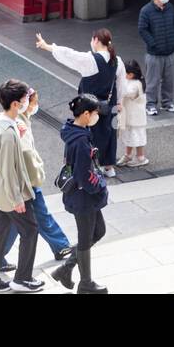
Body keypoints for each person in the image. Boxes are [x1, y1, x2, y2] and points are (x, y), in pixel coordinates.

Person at [0, 80, 45, 293]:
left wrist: (20, 135)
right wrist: (17, 199)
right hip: (11, 194)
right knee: (30, 230)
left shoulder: (3, 124)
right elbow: (9, 169)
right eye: (25, 99)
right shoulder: (8, 132)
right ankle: (22, 278)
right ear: (16, 104)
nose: (28, 102)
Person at [0, 89, 72, 274]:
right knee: (39, 216)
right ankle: (61, 245)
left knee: (15, 222)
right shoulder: (18, 125)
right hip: (26, 183)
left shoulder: (19, 120)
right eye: (32, 102)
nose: (34, 106)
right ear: (20, 103)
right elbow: (25, 156)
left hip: (23, 184)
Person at [36, 29, 126, 177]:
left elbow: (69, 55)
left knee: (89, 134)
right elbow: (121, 83)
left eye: (92, 39)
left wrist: (48, 47)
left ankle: (91, 166)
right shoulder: (118, 60)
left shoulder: (90, 60)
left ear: (96, 40)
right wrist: (119, 102)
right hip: (109, 105)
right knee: (108, 132)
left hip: (89, 107)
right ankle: (109, 167)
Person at [53, 93, 110, 293]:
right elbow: (84, 176)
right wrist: (101, 185)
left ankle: (65, 269)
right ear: (86, 114)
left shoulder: (76, 132)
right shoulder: (80, 141)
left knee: (98, 231)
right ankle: (85, 284)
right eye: (95, 113)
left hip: (84, 197)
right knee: (86, 237)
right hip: (83, 197)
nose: (97, 116)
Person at [137, 0, 174, 116]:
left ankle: (167, 103)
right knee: (152, 81)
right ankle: (150, 104)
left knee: (169, 80)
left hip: (169, 52)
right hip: (154, 54)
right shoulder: (146, 10)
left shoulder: (170, 8)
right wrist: (153, 43)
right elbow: (142, 30)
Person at [116, 60, 149, 167]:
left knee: (137, 137)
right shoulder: (130, 81)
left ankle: (140, 157)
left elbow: (126, 92)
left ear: (131, 74)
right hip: (129, 117)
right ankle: (128, 155)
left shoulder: (136, 84)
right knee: (129, 137)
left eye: (124, 73)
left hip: (136, 119)